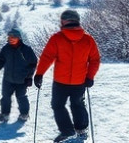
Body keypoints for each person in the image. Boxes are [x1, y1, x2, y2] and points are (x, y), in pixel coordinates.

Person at [34, 9, 101, 143]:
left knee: (57, 105)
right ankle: (81, 131)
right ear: (77, 22)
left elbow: (47, 57)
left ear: (63, 22)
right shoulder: (88, 39)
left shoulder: (57, 38)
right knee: (78, 105)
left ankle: (67, 131)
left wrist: (39, 74)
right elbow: (95, 60)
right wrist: (90, 77)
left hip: (60, 81)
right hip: (80, 81)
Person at [0, 28, 38, 123]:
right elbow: (1, 61)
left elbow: (33, 63)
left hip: (22, 79)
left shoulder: (26, 50)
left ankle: (24, 114)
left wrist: (29, 77)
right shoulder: (6, 49)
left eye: (13, 37)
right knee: (5, 97)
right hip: (8, 79)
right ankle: (5, 115)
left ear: (18, 38)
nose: (10, 39)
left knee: (21, 97)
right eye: (9, 37)